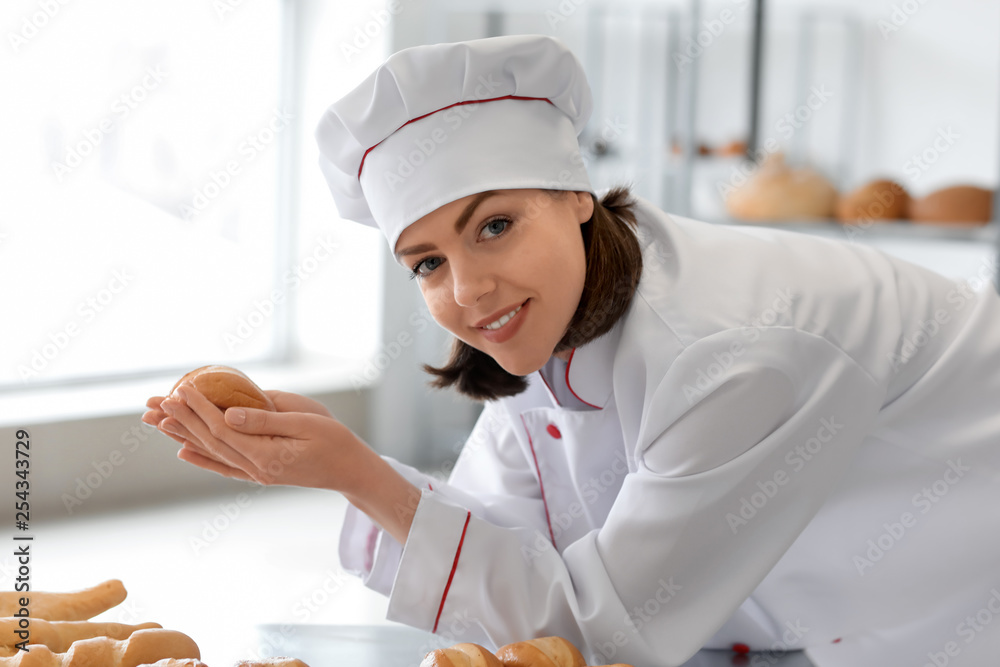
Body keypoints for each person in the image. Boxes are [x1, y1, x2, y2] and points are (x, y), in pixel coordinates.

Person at [143, 34, 1000, 667]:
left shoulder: (729, 352)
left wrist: (360, 475)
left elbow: (595, 635)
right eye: (429, 262)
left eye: (495, 225)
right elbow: (509, 553)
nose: (469, 289)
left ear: (576, 196)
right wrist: (342, 462)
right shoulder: (549, 335)